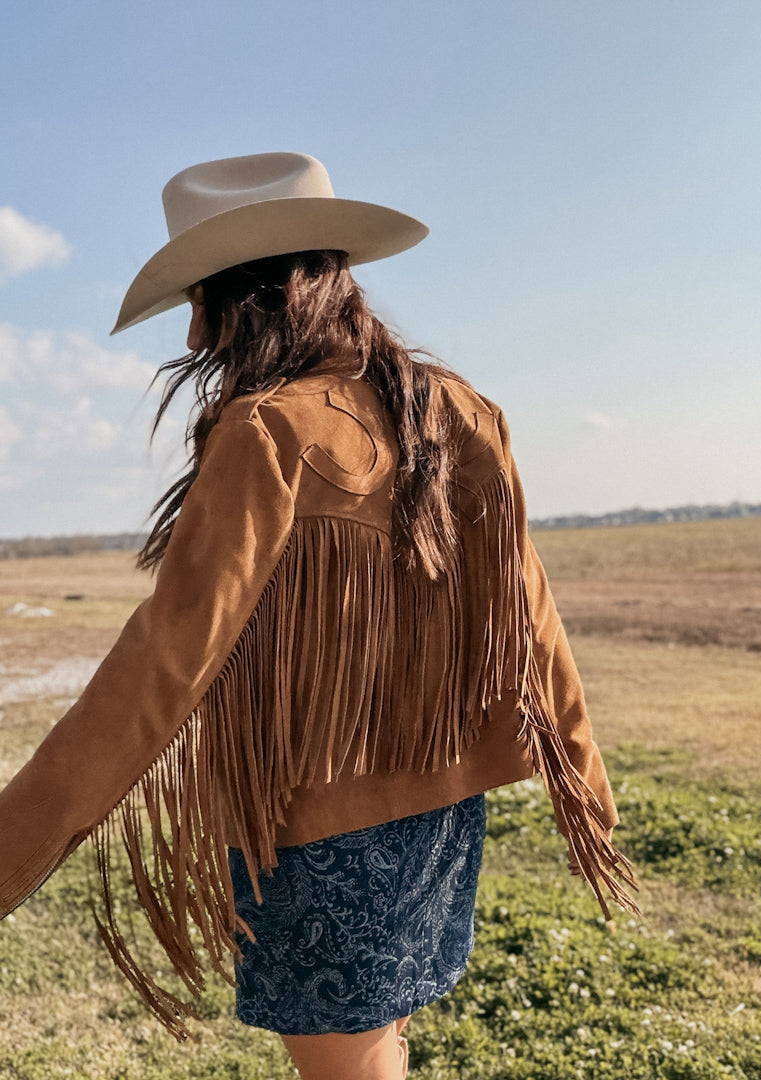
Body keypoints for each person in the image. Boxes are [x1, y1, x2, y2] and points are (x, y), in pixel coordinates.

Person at [0, 153, 636, 1079]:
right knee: (380, 1039)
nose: (192, 327)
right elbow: (528, 611)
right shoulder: (455, 409)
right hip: (441, 811)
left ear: (242, 297)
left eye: (199, 297)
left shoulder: (266, 430)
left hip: (315, 823)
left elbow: (165, 662)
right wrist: (584, 776)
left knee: (352, 1061)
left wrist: (15, 842)